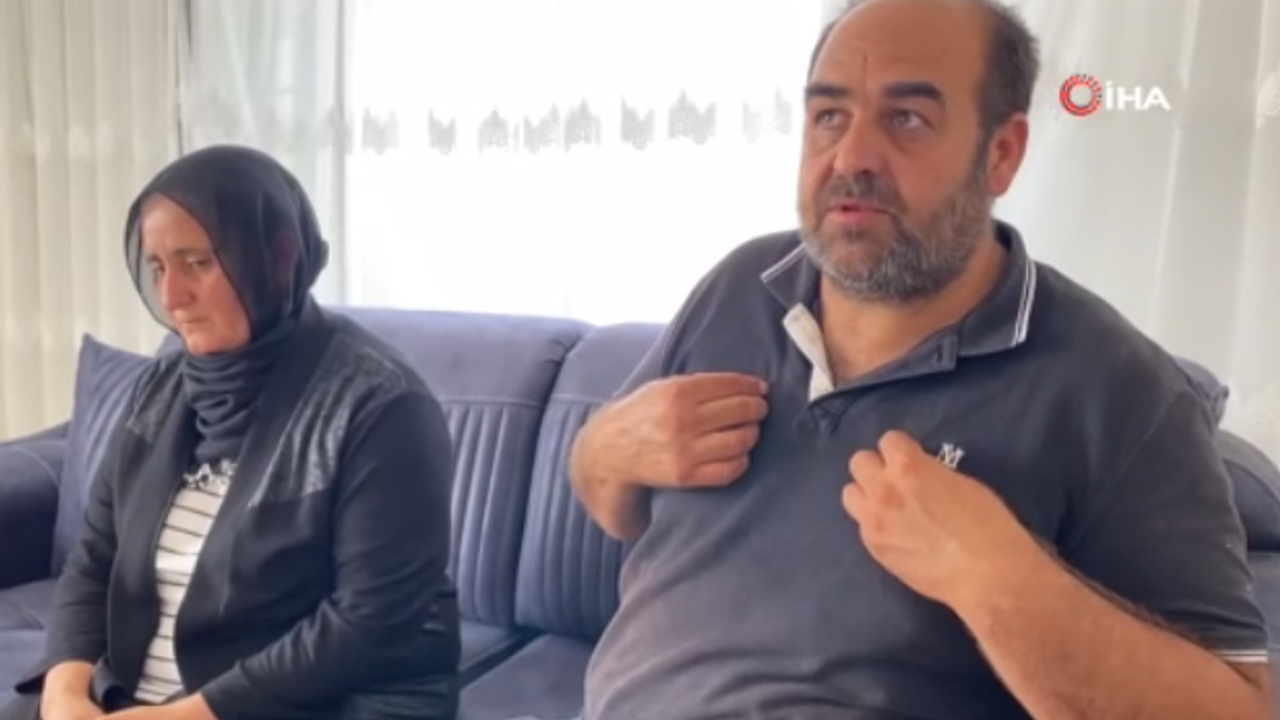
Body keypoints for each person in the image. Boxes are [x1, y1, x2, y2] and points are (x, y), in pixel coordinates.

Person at [569, 1, 1277, 719]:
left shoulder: (1121, 394)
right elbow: (611, 503)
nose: (852, 158)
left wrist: (1000, 582)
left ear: (1002, 153)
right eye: (829, 116)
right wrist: (602, 450)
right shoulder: (740, 287)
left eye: (906, 118)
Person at [0, 145, 460, 720]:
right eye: (157, 268)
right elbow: (95, 559)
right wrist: (65, 692)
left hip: (323, 702)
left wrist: (181, 716)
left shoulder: (382, 405)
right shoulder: (159, 390)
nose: (172, 297)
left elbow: (367, 621)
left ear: (279, 259)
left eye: (196, 263)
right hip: (140, 697)